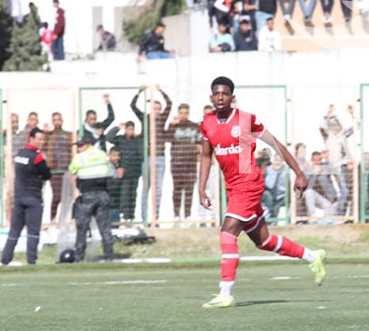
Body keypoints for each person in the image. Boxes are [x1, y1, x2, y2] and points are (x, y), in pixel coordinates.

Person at [198, 76, 327, 309]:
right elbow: (206, 156)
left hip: (248, 183)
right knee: (264, 240)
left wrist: (299, 172)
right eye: (216, 94)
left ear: (232, 97)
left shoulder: (246, 119)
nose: (220, 97)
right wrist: (201, 188)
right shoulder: (207, 123)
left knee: (227, 234)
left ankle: (225, 293)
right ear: (211, 97)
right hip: (232, 187)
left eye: (225, 94)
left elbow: (275, 144)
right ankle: (312, 256)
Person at [1, 128, 50, 265]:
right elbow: (46, 174)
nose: (42, 142)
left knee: (14, 230)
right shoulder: (38, 157)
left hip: (19, 196)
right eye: (39, 139)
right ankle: (31, 260)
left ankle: (5, 259)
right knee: (33, 231)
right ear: (31, 138)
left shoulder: (20, 154)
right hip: (33, 197)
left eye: (43, 139)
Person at [69, 135, 115, 262]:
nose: (78, 148)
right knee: (105, 227)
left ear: (89, 144)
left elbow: (72, 170)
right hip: (103, 194)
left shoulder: (80, 157)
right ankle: (109, 256)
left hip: (87, 195)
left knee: (82, 227)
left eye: (81, 145)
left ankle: (79, 257)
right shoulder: (102, 154)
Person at [132, 85, 171, 220]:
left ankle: (156, 218)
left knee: (158, 190)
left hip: (160, 157)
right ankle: (144, 217)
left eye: (158, 108)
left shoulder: (162, 119)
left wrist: (161, 90)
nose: (156, 111)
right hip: (147, 157)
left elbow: (169, 103)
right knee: (145, 189)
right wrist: (140, 92)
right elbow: (133, 106)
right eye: (154, 108)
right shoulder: (145, 118)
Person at [167, 104, 201, 221]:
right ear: (178, 113)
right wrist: (172, 125)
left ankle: (187, 215)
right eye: (181, 113)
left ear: (188, 113)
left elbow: (200, 141)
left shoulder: (194, 126)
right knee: (177, 189)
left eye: (186, 113)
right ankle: (176, 215)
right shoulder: (173, 126)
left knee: (189, 190)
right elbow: (167, 138)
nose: (183, 115)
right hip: (176, 163)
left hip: (190, 163)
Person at [106, 121, 143, 222]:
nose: (130, 131)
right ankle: (124, 216)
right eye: (129, 129)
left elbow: (141, 153)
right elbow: (109, 137)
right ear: (125, 129)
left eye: (132, 129)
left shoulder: (137, 140)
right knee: (125, 194)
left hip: (135, 171)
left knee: (133, 195)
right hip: (124, 172)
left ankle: (131, 216)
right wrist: (117, 128)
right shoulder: (120, 139)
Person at [44, 112, 74, 221]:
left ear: (62, 121)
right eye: (55, 120)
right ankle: (52, 219)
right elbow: (42, 146)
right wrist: (45, 133)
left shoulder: (69, 135)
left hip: (66, 170)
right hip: (54, 170)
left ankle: (64, 220)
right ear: (52, 122)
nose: (57, 122)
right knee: (57, 196)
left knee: (67, 197)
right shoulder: (49, 135)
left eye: (59, 120)